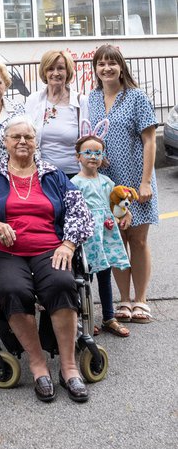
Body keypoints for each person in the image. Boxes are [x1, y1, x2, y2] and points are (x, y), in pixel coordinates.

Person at [0, 116, 94, 403]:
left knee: (61, 282)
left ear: (36, 142)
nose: (23, 142)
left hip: (50, 247)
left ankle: (69, 368)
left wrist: (69, 245)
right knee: (13, 290)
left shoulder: (52, 174)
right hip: (6, 251)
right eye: (16, 137)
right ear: (5, 143)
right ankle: (37, 364)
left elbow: (80, 210)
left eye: (28, 137)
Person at [88, 44, 159, 324]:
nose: (106, 68)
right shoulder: (92, 98)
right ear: (95, 69)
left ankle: (141, 299)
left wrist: (145, 182)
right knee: (116, 240)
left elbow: (150, 140)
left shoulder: (136, 97)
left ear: (121, 67)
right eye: (101, 64)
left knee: (138, 240)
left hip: (135, 179)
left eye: (112, 63)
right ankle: (124, 300)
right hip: (108, 182)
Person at [71, 133, 131, 337]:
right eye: (87, 152)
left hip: (105, 235)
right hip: (87, 236)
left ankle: (109, 317)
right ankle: (84, 317)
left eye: (97, 152)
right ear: (78, 156)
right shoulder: (75, 183)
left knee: (105, 276)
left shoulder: (107, 181)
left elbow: (117, 202)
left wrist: (126, 214)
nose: (93, 156)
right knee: (84, 278)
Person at [25, 49, 89, 176]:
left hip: (74, 175)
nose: (55, 73)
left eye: (60, 68)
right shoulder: (33, 100)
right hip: (41, 174)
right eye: (50, 69)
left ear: (68, 71)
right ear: (44, 72)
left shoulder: (81, 101)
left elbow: (87, 139)